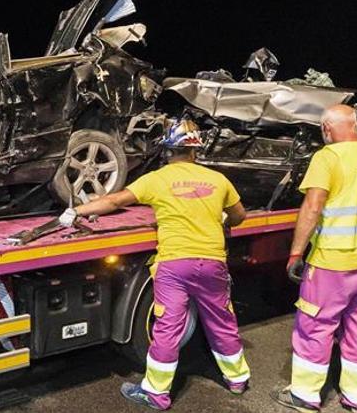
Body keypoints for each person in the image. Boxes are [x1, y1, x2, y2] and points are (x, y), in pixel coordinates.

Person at [58, 117, 251, 410]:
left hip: (175, 265)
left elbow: (114, 201)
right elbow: (239, 215)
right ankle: (237, 379)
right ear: (195, 151)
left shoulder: (157, 179)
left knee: (168, 327)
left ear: (168, 151)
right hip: (212, 263)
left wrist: (77, 210)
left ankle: (157, 393)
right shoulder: (218, 180)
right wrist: (222, 218)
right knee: (222, 320)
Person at [274, 104, 357, 412]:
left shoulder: (328, 156)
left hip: (332, 262)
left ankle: (305, 394)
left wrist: (295, 252)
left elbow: (313, 207)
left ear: (327, 129)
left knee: (315, 324)